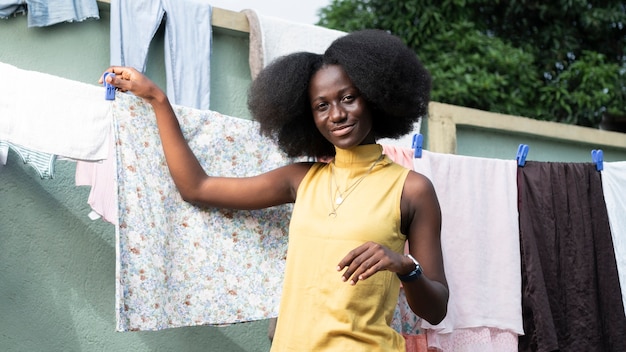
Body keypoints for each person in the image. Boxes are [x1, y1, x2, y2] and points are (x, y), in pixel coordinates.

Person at [102, 29, 448, 351]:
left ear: (373, 97)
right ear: (308, 117)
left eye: (348, 98)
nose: (337, 114)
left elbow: (436, 310)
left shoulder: (412, 189)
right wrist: (157, 99)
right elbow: (197, 187)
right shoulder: (301, 180)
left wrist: (405, 266)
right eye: (321, 106)